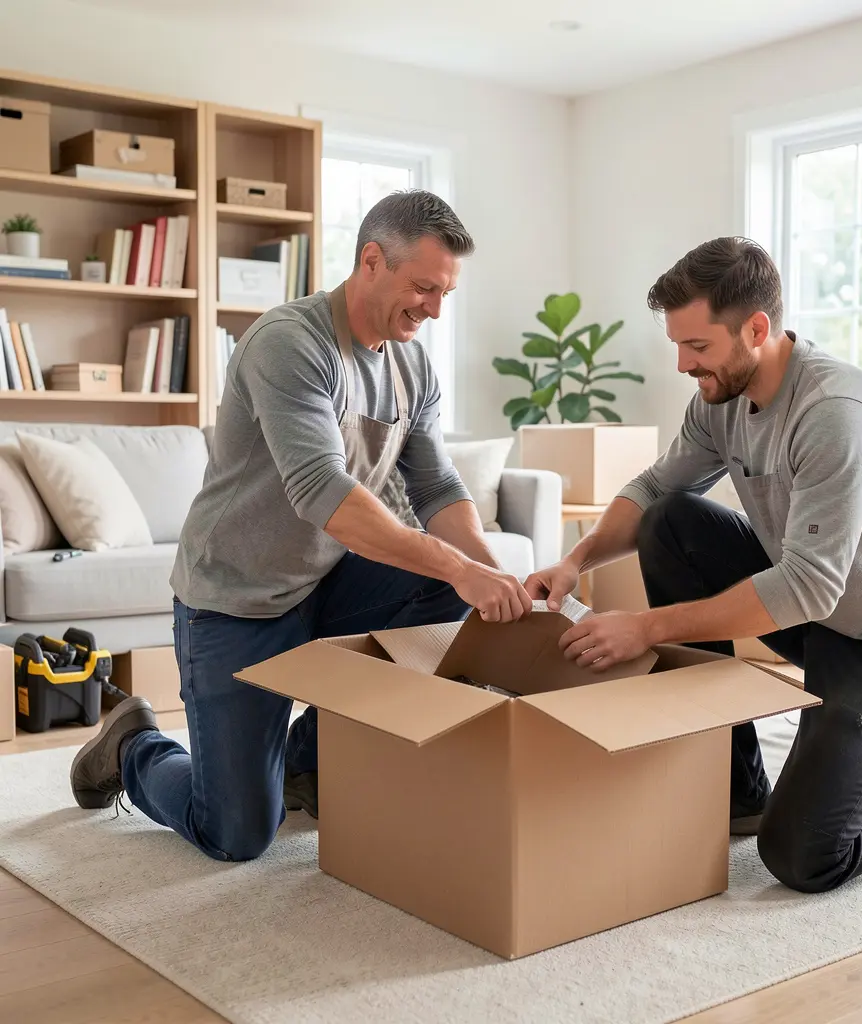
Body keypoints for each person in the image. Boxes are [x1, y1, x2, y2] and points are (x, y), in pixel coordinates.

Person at [525, 236, 862, 894]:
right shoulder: (719, 400)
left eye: (696, 347)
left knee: (805, 855)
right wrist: (573, 560)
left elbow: (809, 585)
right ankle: (737, 786)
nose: (682, 364)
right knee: (672, 520)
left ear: (756, 328)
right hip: (823, 620)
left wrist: (646, 628)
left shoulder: (833, 414)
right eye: (677, 345)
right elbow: (650, 490)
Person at [69, 190, 533, 861]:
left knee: (448, 590)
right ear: (371, 260)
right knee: (237, 833)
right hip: (236, 599)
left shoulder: (412, 363)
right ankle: (135, 746)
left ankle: (310, 756)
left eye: (445, 294)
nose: (434, 310)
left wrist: (484, 570)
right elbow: (323, 492)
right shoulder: (291, 343)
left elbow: (433, 484)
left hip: (329, 581)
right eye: (423, 288)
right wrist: (456, 567)